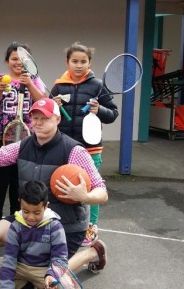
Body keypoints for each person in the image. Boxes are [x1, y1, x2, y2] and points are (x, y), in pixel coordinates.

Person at [0, 98, 108, 279]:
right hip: (32, 218)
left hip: (65, 225)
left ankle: (92, 252)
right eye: (35, 118)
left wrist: (84, 196)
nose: (37, 123)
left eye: (44, 118)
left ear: (57, 119)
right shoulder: (24, 145)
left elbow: (102, 191)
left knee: (55, 275)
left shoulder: (74, 151)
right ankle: (31, 258)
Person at [51, 42, 118, 247]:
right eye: (74, 61)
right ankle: (63, 221)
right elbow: (48, 113)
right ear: (67, 62)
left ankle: (91, 225)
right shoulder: (58, 86)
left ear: (89, 63)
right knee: (63, 184)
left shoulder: (97, 85)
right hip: (64, 146)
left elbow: (113, 114)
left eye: (83, 61)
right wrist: (54, 105)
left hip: (90, 147)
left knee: (91, 186)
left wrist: (100, 111)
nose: (78, 65)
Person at [0, 42, 47, 224]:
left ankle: (16, 217)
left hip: (27, 138)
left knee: (18, 180)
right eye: (14, 59)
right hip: (2, 136)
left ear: (29, 61)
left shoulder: (34, 79)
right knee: (1, 179)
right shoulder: (0, 78)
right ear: (7, 60)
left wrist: (30, 84)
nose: (18, 62)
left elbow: (43, 102)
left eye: (22, 59)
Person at [0, 180, 68, 289]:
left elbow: (60, 258)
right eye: (25, 211)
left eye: (37, 213)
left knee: (65, 286)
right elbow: (9, 259)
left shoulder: (55, 227)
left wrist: (52, 274)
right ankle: (26, 285)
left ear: (46, 206)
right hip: (21, 266)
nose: (30, 217)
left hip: (43, 270)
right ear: (20, 204)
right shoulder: (15, 226)